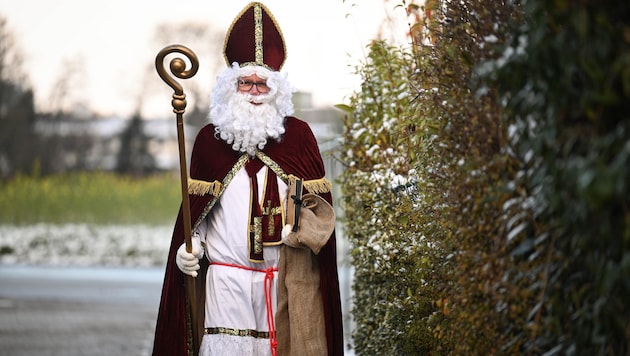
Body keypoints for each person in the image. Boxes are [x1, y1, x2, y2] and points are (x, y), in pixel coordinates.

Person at [151, 2, 344, 355]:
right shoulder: (210, 141)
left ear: (277, 90)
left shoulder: (299, 137)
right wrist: (186, 248)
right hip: (227, 286)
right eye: (246, 83)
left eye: (262, 84)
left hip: (283, 285)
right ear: (230, 86)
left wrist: (304, 230)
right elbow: (198, 217)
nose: (254, 92)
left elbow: (321, 214)